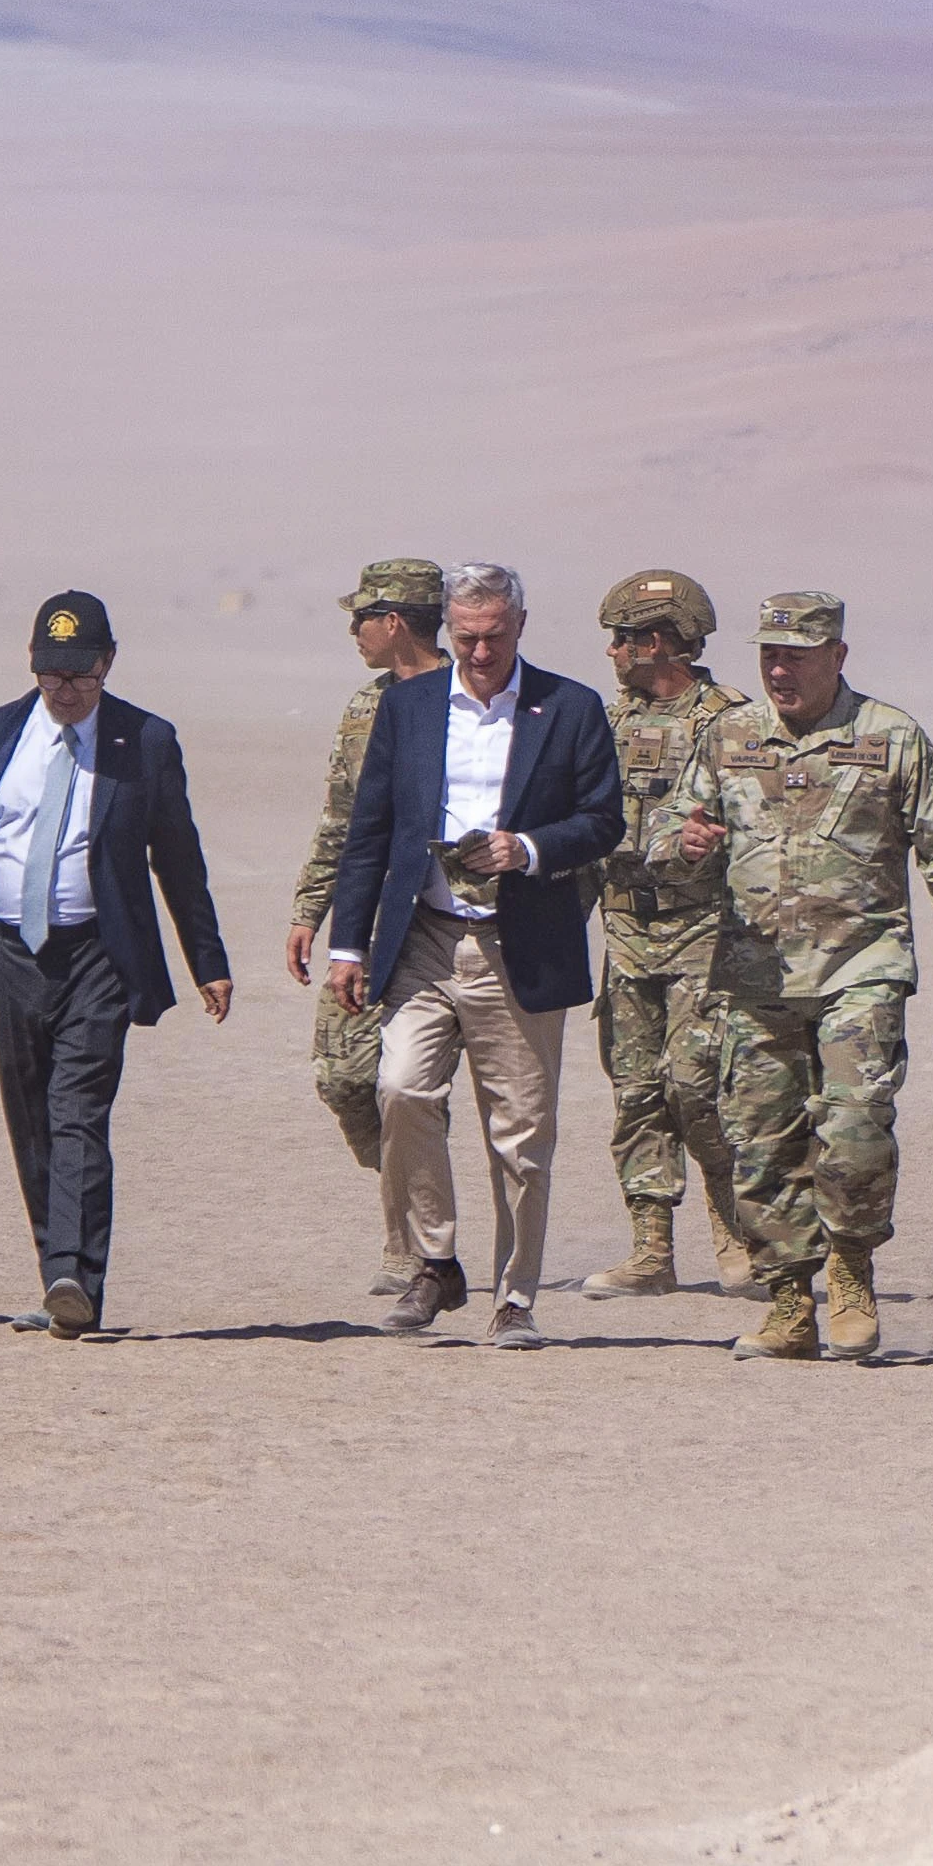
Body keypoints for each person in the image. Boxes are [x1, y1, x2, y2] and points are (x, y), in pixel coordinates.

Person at [0, 590, 237, 1338]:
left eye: (80, 675)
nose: (65, 691)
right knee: (31, 1120)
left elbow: (178, 858)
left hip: (98, 954)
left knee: (77, 1114)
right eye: (51, 674)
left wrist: (207, 960)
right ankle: (56, 1274)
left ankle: (75, 1277)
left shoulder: (145, 740)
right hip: (7, 954)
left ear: (108, 664)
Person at [320, 563, 623, 1340]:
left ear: (520, 625)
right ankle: (435, 1262)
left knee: (520, 1134)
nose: (480, 653)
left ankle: (514, 1297)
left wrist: (527, 848)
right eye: (466, 637)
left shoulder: (571, 708)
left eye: (494, 637)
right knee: (401, 1090)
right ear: (447, 629)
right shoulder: (410, 707)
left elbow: (603, 819)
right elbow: (369, 829)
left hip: (517, 946)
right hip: (423, 936)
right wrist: (347, 944)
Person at [710, 590, 933, 1364]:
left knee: (855, 1129)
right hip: (755, 976)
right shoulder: (729, 736)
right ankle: (786, 1306)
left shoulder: (892, 738)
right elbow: (676, 832)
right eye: (769, 655)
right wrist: (685, 842)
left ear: (837, 657)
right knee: (762, 1143)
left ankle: (850, 1274)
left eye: (796, 657)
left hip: (862, 969)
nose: (779, 670)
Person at [581, 565, 753, 1296]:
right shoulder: (606, 724)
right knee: (637, 1090)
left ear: (657, 641)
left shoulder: (732, 723)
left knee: (698, 1087)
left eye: (622, 638)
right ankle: (651, 1249)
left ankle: (738, 1233)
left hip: (702, 932)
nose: (612, 652)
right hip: (625, 930)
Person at [284, 556, 448, 1251]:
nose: (353, 632)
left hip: (442, 923)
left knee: (413, 1089)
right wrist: (309, 910)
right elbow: (341, 820)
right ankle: (409, 1202)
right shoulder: (364, 707)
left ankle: (412, 1244)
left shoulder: (469, 701)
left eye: (362, 619)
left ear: (395, 622)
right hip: (368, 920)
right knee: (346, 1077)